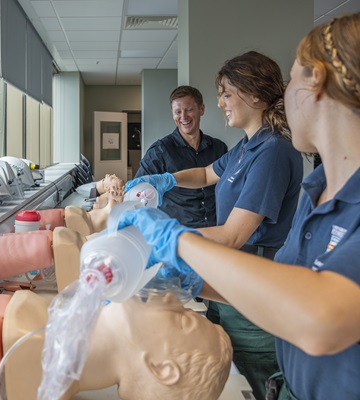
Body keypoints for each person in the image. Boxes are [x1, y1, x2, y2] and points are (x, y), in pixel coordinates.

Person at [118, 12, 360, 400]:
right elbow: (281, 285)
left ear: (316, 83)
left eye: (293, 79)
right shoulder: (317, 189)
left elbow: (321, 317)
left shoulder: (275, 152)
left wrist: (176, 243)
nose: (285, 94)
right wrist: (194, 281)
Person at [126, 52, 304, 399]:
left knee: (253, 379)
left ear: (254, 95)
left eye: (226, 94)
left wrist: (164, 242)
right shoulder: (246, 148)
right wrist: (167, 179)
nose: (221, 103)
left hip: (254, 278)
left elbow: (234, 235)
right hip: (229, 273)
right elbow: (207, 173)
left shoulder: (273, 152)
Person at [0, 290, 232, 400]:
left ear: (160, 368)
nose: (171, 298)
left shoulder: (29, 350)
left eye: (181, 320)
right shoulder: (38, 333)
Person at [134, 85, 228, 228]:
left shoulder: (219, 148)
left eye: (189, 110)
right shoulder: (159, 151)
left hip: (216, 229)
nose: (183, 117)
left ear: (201, 109)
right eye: (178, 112)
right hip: (178, 232)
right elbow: (137, 192)